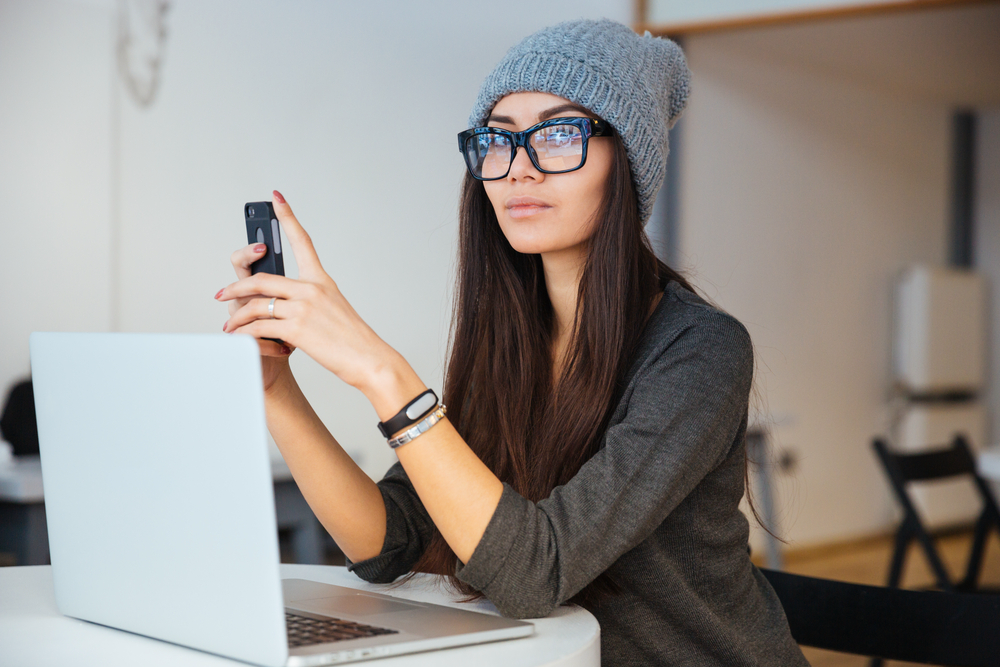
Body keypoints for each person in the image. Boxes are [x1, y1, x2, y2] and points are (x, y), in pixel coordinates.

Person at [217, 18, 808, 667]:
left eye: (558, 134)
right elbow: (391, 541)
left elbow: (536, 573)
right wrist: (277, 391)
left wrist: (383, 374)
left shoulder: (699, 350)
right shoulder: (510, 341)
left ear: (628, 161)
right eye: (498, 139)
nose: (519, 168)